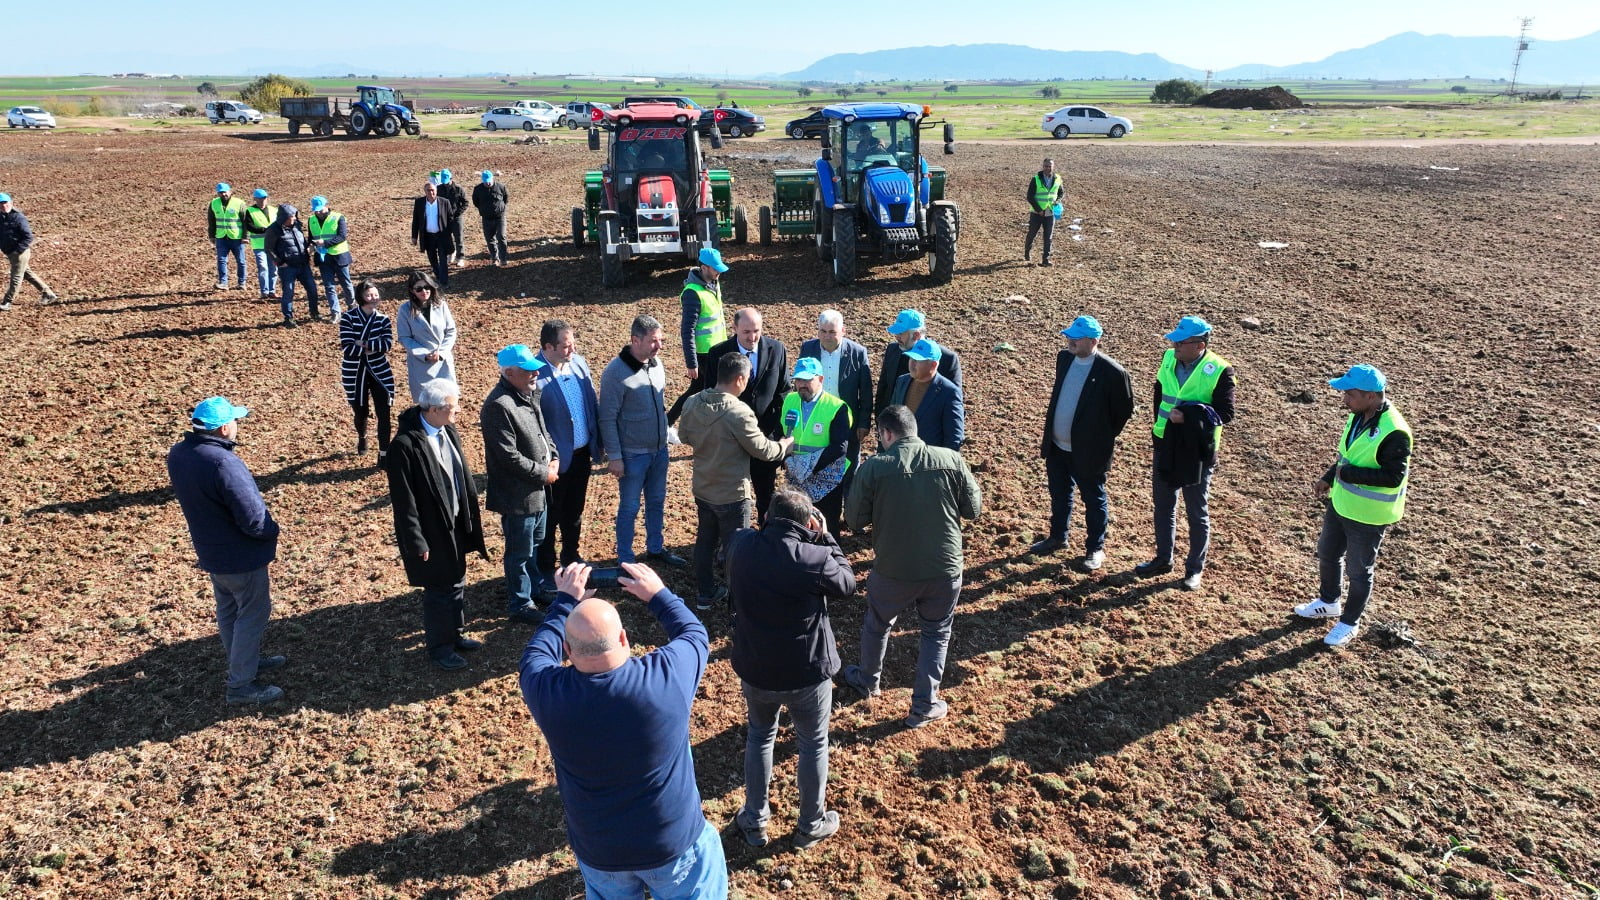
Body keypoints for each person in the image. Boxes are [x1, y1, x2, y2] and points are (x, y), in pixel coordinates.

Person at [518, 561, 727, 898]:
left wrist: (565, 601)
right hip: (672, 843)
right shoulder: (666, 678)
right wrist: (658, 594)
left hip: (600, 850)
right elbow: (694, 634)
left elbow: (536, 653)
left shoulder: (545, 692)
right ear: (624, 638)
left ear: (567, 651)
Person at [726, 489, 854, 849]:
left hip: (756, 668)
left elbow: (744, 540)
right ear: (808, 524)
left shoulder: (740, 545)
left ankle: (754, 820)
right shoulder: (815, 557)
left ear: (766, 516)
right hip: (807, 672)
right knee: (813, 743)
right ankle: (811, 823)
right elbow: (847, 584)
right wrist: (826, 537)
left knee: (759, 736)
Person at [842, 405, 982, 729]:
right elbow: (973, 509)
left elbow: (854, 520)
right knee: (936, 632)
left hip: (893, 569)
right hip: (944, 570)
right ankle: (924, 705)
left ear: (887, 433)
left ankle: (867, 680)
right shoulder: (951, 460)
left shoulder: (875, 467)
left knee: (877, 623)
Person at [166, 396, 285, 705]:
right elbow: (251, 515)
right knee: (253, 614)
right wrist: (271, 531)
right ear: (221, 429)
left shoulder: (179, 454)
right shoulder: (223, 462)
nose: (237, 425)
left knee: (230, 611)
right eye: (234, 420)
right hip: (240, 555)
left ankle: (245, 662)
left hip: (212, 552)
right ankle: (241, 686)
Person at [1293, 365, 1413, 648]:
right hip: (1342, 504)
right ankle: (1328, 602)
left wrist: (1346, 475)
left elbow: (1393, 476)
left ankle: (1349, 622)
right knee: (1327, 552)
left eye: (1350, 394)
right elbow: (1349, 455)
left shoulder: (1395, 431)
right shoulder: (1358, 416)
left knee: (1359, 571)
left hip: (1368, 515)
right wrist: (1329, 477)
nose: (1344, 399)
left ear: (1371, 396)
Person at [384, 378, 488, 671]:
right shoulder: (404, 447)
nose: (458, 413)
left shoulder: (448, 430)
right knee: (438, 589)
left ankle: (456, 634)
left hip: (454, 522)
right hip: (431, 531)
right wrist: (416, 541)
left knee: (457, 581)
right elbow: (404, 502)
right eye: (453, 408)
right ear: (434, 409)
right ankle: (439, 647)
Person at [678, 353, 793, 610]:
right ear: (740, 379)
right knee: (736, 549)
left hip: (703, 486)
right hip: (731, 493)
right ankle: (738, 601)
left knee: (705, 542)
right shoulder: (738, 412)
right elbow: (764, 451)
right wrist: (785, 444)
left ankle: (705, 594)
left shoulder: (693, 402)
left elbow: (684, 436)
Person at [1136, 315, 1237, 592]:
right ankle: (1162, 558)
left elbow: (1226, 413)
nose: (1175, 344)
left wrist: (1189, 416)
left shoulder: (1219, 369)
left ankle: (1194, 569)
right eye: (1175, 340)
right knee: (1163, 505)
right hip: (1165, 442)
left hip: (1197, 452)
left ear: (1199, 344)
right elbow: (1159, 393)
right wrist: (1160, 425)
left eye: (1181, 341)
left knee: (1196, 510)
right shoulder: (1168, 357)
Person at [1029, 315, 1134, 570]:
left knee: (1093, 499)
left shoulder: (1113, 372)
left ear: (1093, 341)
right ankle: (1058, 537)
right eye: (1069, 336)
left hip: (1088, 451)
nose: (1069, 341)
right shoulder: (1064, 359)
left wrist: (1098, 437)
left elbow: (1123, 411)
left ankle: (1095, 548)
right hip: (1056, 445)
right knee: (1059, 493)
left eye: (1075, 338)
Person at [599, 315, 685, 567]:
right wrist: (615, 456)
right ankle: (625, 559)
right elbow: (607, 418)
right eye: (653, 341)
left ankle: (655, 548)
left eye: (660, 340)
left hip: (659, 451)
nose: (659, 346)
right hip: (632, 455)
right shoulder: (615, 373)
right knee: (630, 507)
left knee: (657, 501)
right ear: (635, 340)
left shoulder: (656, 365)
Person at [482, 345, 558, 624]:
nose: (535, 372)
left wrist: (555, 457)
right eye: (527, 369)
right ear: (509, 372)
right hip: (518, 495)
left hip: (538, 489)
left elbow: (543, 432)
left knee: (535, 545)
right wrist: (544, 473)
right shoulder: (498, 406)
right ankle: (520, 603)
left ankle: (535, 590)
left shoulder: (528, 394)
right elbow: (508, 457)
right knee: (520, 551)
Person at [703, 307, 788, 519]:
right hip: (731, 440)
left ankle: (765, 537)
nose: (752, 337)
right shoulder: (718, 354)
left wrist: (777, 431)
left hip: (764, 437)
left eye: (756, 331)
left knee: (765, 494)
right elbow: (711, 395)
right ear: (735, 328)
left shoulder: (777, 349)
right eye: (746, 332)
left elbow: (784, 391)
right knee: (731, 497)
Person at [535, 319, 600, 578]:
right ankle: (546, 564)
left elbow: (591, 402)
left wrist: (598, 441)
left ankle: (571, 555)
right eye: (565, 346)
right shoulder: (535, 375)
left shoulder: (579, 364)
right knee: (551, 515)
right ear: (548, 347)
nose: (572, 351)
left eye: (573, 344)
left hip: (582, 454)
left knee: (575, 511)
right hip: (554, 461)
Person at [799, 310, 872, 492]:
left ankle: (849, 510)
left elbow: (865, 392)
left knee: (848, 467)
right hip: (817, 417)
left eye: (832, 332)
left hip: (845, 419)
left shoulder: (858, 353)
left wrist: (864, 423)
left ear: (843, 331)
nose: (827, 336)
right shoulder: (808, 349)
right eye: (823, 331)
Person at [781, 357, 854, 535]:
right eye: (799, 380)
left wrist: (806, 466)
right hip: (795, 477)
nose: (802, 385)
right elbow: (780, 433)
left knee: (827, 526)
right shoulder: (789, 401)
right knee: (796, 524)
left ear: (820, 379)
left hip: (825, 478)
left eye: (808, 380)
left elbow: (839, 447)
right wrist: (786, 458)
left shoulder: (837, 407)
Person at [665, 246, 729, 425]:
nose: (718, 272)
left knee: (697, 390)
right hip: (704, 355)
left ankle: (667, 423)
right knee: (710, 393)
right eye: (715, 268)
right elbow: (687, 331)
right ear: (704, 268)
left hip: (717, 351)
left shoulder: (713, 285)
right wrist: (692, 363)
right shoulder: (693, 293)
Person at [339, 279, 397, 462]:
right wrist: (372, 346)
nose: (373, 298)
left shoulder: (383, 319)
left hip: (379, 369)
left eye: (375, 294)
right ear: (361, 297)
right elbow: (347, 347)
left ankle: (384, 452)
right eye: (369, 295)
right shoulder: (348, 317)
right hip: (354, 371)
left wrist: (362, 344)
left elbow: (387, 344)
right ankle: (362, 437)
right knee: (360, 411)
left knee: (384, 412)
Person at [874, 308, 962, 415]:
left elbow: (954, 401)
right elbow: (883, 388)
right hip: (894, 426)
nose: (896, 337)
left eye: (901, 333)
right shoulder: (893, 350)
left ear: (916, 335)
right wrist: (880, 419)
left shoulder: (947, 359)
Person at [888, 339, 964, 451]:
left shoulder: (949, 392)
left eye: (917, 360)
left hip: (928, 462)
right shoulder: (902, 381)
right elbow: (891, 418)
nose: (911, 364)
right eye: (911, 358)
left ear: (933, 365)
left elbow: (954, 438)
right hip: (899, 456)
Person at [395, 270, 457, 402]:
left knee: (448, 402)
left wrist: (441, 352)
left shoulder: (441, 305)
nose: (424, 291)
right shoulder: (405, 310)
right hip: (421, 364)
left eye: (427, 287)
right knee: (427, 405)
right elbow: (404, 337)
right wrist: (425, 354)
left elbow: (451, 331)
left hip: (442, 361)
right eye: (419, 289)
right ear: (412, 291)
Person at [263, 204, 319, 328]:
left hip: (303, 264)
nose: (294, 218)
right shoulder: (273, 229)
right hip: (287, 267)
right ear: (283, 217)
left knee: (312, 289)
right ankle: (288, 318)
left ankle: (314, 312)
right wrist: (279, 262)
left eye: (294, 216)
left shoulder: (297, 226)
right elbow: (268, 248)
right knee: (288, 292)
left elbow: (303, 241)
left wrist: (309, 247)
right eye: (291, 216)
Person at [0, 191, 58, 311]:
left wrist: (18, 250)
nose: (3, 206)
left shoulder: (18, 218)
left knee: (16, 277)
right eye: (0, 204)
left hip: (19, 253)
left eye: (5, 203)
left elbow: (28, 237)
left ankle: (7, 302)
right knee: (27, 273)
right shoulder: (1, 217)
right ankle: (48, 294)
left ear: (11, 203)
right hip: (10, 252)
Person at [307, 196, 352, 317]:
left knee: (346, 284)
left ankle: (351, 306)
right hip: (323, 258)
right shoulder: (311, 220)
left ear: (327, 205)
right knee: (329, 286)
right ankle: (335, 312)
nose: (318, 212)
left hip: (339, 256)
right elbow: (311, 238)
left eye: (320, 209)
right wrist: (310, 246)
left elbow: (342, 236)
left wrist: (325, 243)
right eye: (316, 210)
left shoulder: (338, 217)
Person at [410, 180, 455, 288]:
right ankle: (438, 276)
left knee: (443, 258)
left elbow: (450, 219)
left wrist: (451, 234)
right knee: (432, 258)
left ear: (436, 190)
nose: (431, 192)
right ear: (425, 191)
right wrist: (414, 236)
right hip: (427, 236)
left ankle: (444, 282)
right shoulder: (419, 203)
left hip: (441, 235)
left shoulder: (444, 202)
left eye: (433, 190)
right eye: (428, 190)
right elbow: (415, 220)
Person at [1024, 157, 1065, 266]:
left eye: (1050, 166)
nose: (1048, 168)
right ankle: (1027, 251)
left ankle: (1045, 260)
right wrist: (1039, 210)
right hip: (1037, 213)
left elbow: (1061, 193)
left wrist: (1057, 201)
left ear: (1053, 166)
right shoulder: (1036, 179)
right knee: (1032, 234)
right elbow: (1030, 196)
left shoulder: (1058, 179)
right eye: (1046, 166)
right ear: (1043, 167)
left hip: (1050, 212)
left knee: (1048, 237)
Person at [207, 182, 248, 291]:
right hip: (221, 237)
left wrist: (245, 236)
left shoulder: (239, 203)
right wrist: (211, 235)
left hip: (236, 238)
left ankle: (242, 282)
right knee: (221, 260)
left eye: (225, 192)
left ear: (230, 192)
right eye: (220, 192)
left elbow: (245, 221)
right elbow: (211, 221)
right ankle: (223, 283)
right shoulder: (213, 204)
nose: (223, 194)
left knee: (241, 261)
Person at [242, 188, 279, 299]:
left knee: (273, 269)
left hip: (273, 245)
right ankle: (264, 291)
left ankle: (272, 291)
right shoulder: (249, 211)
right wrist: (265, 230)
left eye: (264, 198)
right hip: (259, 245)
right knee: (263, 267)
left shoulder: (274, 210)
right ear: (255, 199)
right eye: (259, 199)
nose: (262, 201)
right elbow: (249, 226)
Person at [471, 169, 509, 266]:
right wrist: (484, 210)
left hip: (500, 217)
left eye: (489, 180)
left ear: (493, 178)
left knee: (501, 236)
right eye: (485, 181)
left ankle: (503, 258)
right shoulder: (478, 189)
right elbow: (476, 202)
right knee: (490, 239)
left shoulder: (501, 187)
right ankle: (494, 257)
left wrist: (500, 209)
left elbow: (505, 199)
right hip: (486, 218)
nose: (488, 183)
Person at [435, 169, 468, 267]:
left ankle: (460, 257)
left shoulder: (458, 189)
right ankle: (451, 252)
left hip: (456, 218)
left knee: (459, 238)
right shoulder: (438, 189)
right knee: (446, 237)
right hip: (444, 218)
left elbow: (465, 202)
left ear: (451, 178)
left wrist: (457, 213)